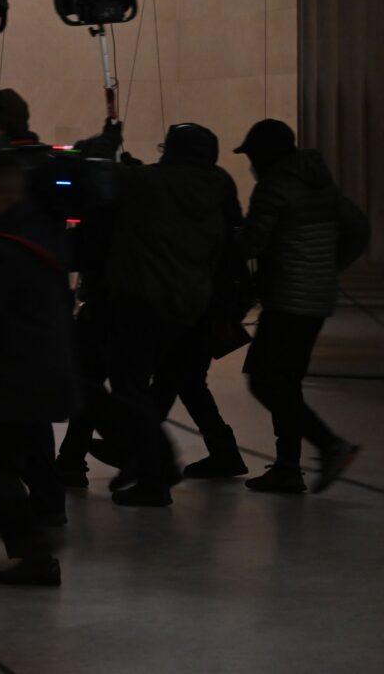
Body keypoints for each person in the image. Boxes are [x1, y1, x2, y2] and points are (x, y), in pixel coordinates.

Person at [0, 149, 80, 587]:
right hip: (47, 365)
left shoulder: (0, 248)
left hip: (13, 372)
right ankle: (35, 531)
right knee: (27, 452)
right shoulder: (43, 232)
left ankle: (34, 555)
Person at [234, 119, 366, 493]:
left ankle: (329, 445)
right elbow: (358, 227)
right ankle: (288, 468)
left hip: (287, 299)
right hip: (316, 299)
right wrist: (329, 266)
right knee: (286, 384)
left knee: (263, 380)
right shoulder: (321, 186)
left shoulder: (273, 188)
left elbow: (251, 245)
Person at [103, 123, 230, 507]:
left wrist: (111, 147)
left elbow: (106, 183)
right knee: (160, 388)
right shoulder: (220, 186)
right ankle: (143, 461)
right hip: (193, 303)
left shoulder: (145, 182)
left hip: (144, 299)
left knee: (129, 388)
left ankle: (153, 471)